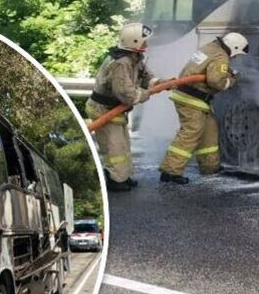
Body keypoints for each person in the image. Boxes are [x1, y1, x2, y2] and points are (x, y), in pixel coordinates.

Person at [159, 31, 248, 185]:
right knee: (191, 133)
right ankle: (170, 171)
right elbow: (216, 82)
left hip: (192, 96)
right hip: (192, 99)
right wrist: (233, 80)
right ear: (234, 48)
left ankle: (210, 167)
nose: (234, 58)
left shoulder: (210, 48)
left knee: (209, 130)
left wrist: (227, 72)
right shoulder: (221, 56)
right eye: (236, 54)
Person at [88, 22, 152, 191]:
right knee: (114, 148)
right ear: (135, 42)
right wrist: (145, 94)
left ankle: (122, 176)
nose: (147, 44)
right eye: (144, 41)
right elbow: (125, 93)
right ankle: (114, 180)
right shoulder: (121, 63)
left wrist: (158, 82)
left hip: (114, 111)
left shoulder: (134, 58)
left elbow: (145, 75)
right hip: (104, 111)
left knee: (123, 147)